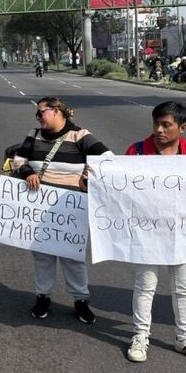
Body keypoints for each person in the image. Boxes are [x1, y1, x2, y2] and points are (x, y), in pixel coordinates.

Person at [122, 102, 186, 364]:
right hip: (147, 231)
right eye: (156, 123)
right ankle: (140, 336)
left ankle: (185, 338)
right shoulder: (137, 152)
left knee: (183, 288)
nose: (159, 130)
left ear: (182, 128)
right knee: (145, 286)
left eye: (166, 125)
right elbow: (119, 186)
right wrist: (97, 176)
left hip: (184, 232)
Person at [11, 96, 111, 324]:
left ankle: (80, 300)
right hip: (37, 207)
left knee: (72, 257)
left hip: (71, 209)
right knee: (42, 255)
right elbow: (18, 160)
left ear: (56, 111)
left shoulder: (80, 136)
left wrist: (89, 175)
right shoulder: (33, 135)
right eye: (36, 113)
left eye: (41, 112)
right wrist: (27, 172)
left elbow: (107, 160)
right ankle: (42, 297)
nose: (37, 117)